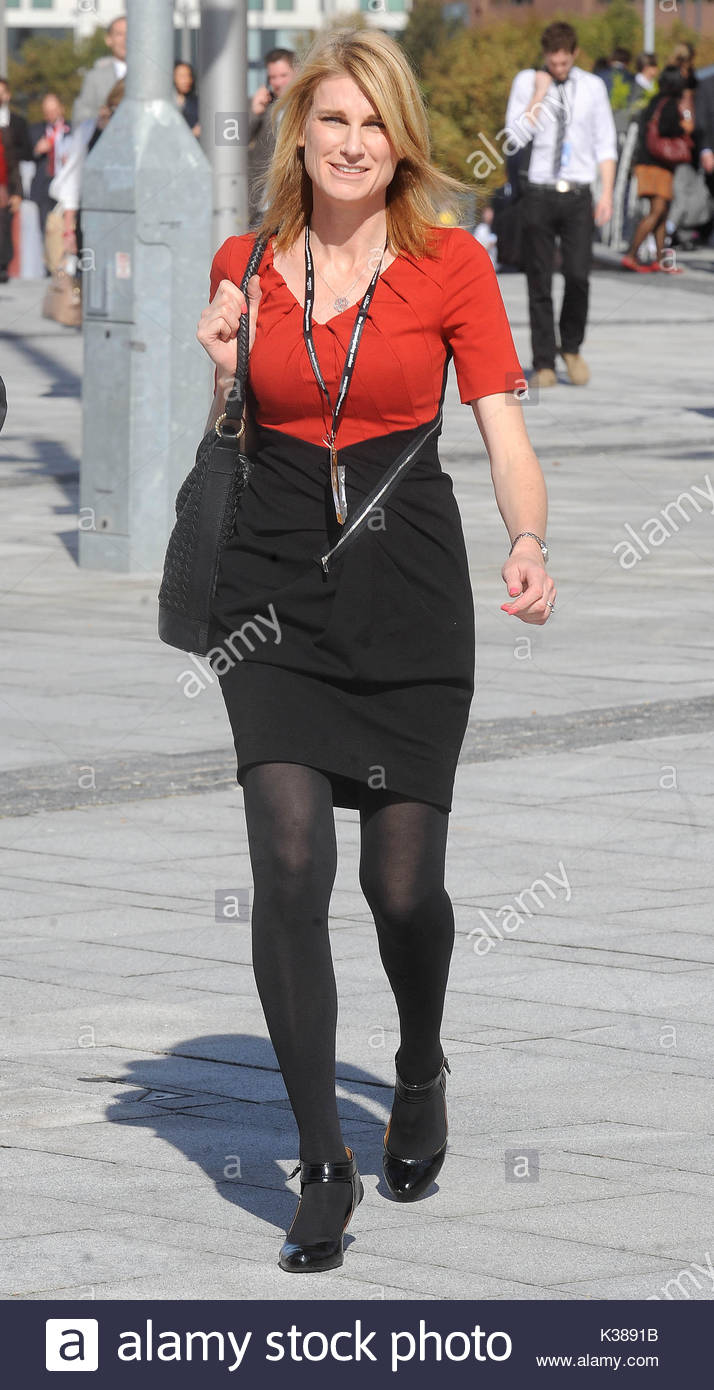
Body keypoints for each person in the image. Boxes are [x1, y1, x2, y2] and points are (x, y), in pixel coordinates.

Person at [195, 27, 556, 1275]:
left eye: (373, 124)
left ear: (402, 139)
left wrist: (528, 539)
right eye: (330, 121)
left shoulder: (452, 265)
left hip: (407, 581)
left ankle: (417, 1066)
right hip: (273, 589)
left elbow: (502, 427)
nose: (352, 144)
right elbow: (236, 430)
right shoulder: (245, 261)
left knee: (400, 890)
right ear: (300, 130)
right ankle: (321, 1161)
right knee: (289, 863)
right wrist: (228, 369)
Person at [505, 21, 617, 389]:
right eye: (553, 63)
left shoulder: (593, 87)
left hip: (578, 194)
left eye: (564, 63)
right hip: (538, 191)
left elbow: (605, 143)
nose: (559, 69)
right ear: (545, 57)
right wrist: (539, 94)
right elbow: (515, 137)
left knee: (578, 275)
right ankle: (544, 362)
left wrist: (607, 194)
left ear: (575, 55)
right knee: (538, 279)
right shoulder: (527, 81)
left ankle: (571, 346)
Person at [622, 66, 694, 274]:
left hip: (647, 162)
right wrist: (684, 128)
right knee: (657, 211)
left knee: (662, 213)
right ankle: (631, 255)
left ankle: (661, 261)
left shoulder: (655, 100)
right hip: (657, 165)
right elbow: (667, 129)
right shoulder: (669, 104)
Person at [247, 48, 296, 227]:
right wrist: (254, 112)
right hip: (260, 205)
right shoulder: (263, 106)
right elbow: (232, 140)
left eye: (283, 75)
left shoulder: (308, 105)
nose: (278, 82)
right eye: (273, 77)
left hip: (291, 206)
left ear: (296, 72)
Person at [30, 93, 72, 237]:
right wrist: (37, 150)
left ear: (61, 109)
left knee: (67, 229)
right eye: (47, 112)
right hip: (44, 188)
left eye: (53, 110)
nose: (50, 115)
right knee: (45, 232)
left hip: (66, 187)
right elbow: (24, 155)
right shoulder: (35, 130)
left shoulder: (73, 129)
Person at [72, 15, 127, 127]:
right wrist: (99, 117)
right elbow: (79, 117)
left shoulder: (151, 77)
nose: (125, 39)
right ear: (109, 40)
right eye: (119, 34)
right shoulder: (94, 77)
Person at [0, 79, 29, 283]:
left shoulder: (18, 122)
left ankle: (3, 265)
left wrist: (16, 191)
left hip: (6, 184)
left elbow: (19, 159)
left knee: (4, 224)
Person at [174, 61, 200, 137]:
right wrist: (191, 134)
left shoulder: (197, 104)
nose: (186, 80)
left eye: (189, 75)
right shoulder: (164, 105)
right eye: (181, 76)